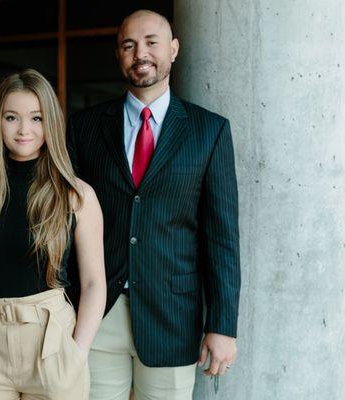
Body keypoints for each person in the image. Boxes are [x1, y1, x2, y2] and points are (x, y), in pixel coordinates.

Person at [66, 10, 241, 400]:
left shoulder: (208, 131)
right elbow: (65, 226)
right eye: (128, 45)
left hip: (173, 317)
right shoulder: (84, 127)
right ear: (118, 55)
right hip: (98, 312)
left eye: (151, 42)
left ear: (174, 50)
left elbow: (222, 237)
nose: (139, 52)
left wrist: (222, 325)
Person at [0, 69, 107, 400]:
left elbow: (94, 283)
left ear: (50, 122)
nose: (24, 130)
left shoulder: (76, 195)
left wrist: (77, 354)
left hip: (51, 346)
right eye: (12, 117)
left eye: (36, 118)